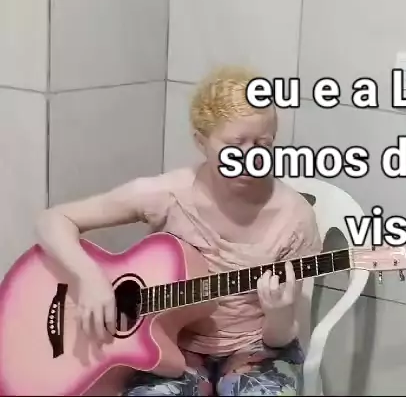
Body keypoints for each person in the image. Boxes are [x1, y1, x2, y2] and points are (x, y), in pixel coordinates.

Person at [36, 66, 322, 396]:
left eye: (263, 143)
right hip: (170, 345)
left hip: (256, 347)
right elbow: (53, 220)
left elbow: (282, 337)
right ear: (201, 141)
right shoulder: (167, 195)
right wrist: (89, 278)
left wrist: (278, 315)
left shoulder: (295, 217)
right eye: (235, 144)